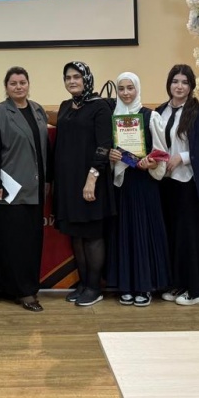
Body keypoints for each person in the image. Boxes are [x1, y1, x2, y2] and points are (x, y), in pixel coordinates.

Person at [153, 64, 199, 307]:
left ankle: (196, 289)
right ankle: (179, 283)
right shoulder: (160, 111)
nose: (179, 86)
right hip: (165, 182)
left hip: (189, 182)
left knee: (190, 236)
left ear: (191, 86)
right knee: (173, 235)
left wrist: (182, 158)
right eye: (175, 81)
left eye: (184, 82)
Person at [0, 67, 50, 312]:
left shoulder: (38, 110)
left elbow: (45, 148)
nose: (19, 87)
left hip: (35, 187)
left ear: (28, 84)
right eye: (13, 83)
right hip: (9, 189)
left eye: (22, 82)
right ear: (6, 87)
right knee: (14, 243)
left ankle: (28, 286)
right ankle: (24, 292)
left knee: (32, 241)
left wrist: (49, 180)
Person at [52, 61, 114, 307]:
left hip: (91, 180)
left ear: (86, 79)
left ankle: (94, 287)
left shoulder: (100, 106)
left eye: (77, 77)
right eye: (68, 78)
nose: (72, 81)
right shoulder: (65, 106)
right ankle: (83, 283)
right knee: (76, 235)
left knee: (92, 235)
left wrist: (92, 178)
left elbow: (104, 145)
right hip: (68, 182)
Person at [106, 72, 170, 307]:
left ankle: (144, 286)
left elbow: (161, 152)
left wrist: (151, 163)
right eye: (121, 88)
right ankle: (126, 285)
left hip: (144, 184)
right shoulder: (113, 118)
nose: (125, 93)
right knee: (125, 233)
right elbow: (106, 150)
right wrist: (112, 157)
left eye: (130, 88)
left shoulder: (151, 116)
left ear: (137, 89)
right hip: (122, 185)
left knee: (144, 232)